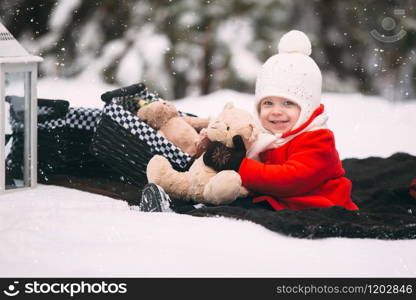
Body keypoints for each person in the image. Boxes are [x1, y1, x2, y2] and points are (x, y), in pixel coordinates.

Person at [139, 30, 358, 212]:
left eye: (288, 104)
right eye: (268, 103)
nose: (276, 112)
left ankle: (187, 206)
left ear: (307, 107)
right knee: (222, 189)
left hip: (312, 202)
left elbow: (290, 180)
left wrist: (237, 164)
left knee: (232, 205)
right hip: (274, 196)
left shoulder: (318, 139)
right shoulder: (263, 133)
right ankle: (178, 193)